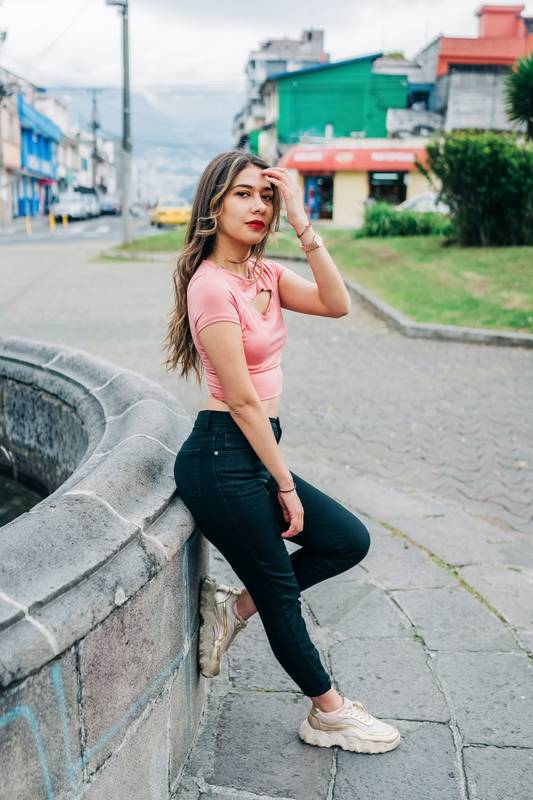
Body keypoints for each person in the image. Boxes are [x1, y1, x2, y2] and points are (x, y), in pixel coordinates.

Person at [163, 150, 400, 754]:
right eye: (243, 194)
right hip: (220, 457)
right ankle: (329, 712)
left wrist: (302, 220)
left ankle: (234, 607)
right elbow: (242, 402)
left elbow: (337, 302)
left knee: (348, 540)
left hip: (253, 453)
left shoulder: (263, 276)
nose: (257, 207)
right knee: (282, 592)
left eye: (264, 196)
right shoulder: (210, 286)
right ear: (214, 205)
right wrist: (286, 486)